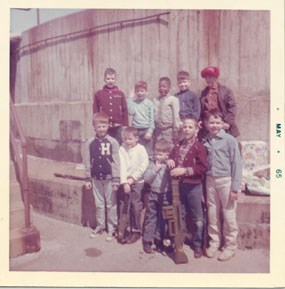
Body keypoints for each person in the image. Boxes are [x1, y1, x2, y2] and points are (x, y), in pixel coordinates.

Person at [203, 110, 242, 261]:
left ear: (223, 124)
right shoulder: (205, 140)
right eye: (211, 122)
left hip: (226, 181)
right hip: (210, 180)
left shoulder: (230, 140)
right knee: (212, 213)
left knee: (229, 214)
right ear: (206, 124)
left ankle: (230, 246)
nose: (214, 125)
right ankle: (214, 243)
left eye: (217, 122)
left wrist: (235, 187)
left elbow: (237, 164)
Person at [168, 116, 207, 258]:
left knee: (197, 218)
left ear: (196, 129)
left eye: (190, 127)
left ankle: (197, 245)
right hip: (179, 187)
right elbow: (171, 157)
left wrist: (184, 171)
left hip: (194, 187)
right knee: (180, 215)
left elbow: (202, 168)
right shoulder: (178, 145)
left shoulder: (199, 147)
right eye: (185, 126)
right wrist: (170, 161)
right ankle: (180, 241)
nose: (187, 129)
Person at [84, 112, 120, 242]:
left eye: (104, 126)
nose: (101, 129)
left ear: (108, 126)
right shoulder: (89, 142)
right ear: (94, 127)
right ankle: (100, 226)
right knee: (99, 204)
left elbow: (116, 162)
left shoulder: (113, 142)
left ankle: (112, 228)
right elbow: (87, 161)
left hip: (110, 178)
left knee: (111, 204)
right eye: (99, 126)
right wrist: (88, 178)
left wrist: (116, 179)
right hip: (96, 179)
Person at [118, 127, 149, 244]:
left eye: (130, 139)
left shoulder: (141, 149)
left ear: (137, 138)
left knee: (135, 205)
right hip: (125, 182)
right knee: (124, 205)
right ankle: (124, 228)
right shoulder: (122, 149)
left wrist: (132, 179)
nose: (128, 141)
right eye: (125, 139)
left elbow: (144, 165)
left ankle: (136, 230)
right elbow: (121, 166)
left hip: (137, 182)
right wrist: (125, 182)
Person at [142, 139, 172, 254]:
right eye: (156, 154)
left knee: (163, 219)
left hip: (166, 194)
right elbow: (147, 179)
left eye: (161, 154)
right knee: (151, 217)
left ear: (167, 155)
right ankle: (147, 241)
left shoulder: (169, 165)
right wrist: (155, 170)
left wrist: (170, 166)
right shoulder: (152, 164)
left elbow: (173, 179)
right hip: (153, 194)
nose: (158, 157)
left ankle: (159, 240)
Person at [199, 66, 240, 139]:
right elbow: (201, 110)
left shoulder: (226, 91)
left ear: (215, 78)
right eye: (206, 78)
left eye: (210, 77)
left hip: (222, 123)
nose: (208, 80)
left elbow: (232, 107)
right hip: (209, 125)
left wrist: (227, 122)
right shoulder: (203, 93)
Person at [93, 67, 128, 143]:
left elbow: (125, 110)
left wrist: (125, 125)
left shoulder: (120, 93)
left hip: (118, 126)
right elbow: (96, 111)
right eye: (108, 79)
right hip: (104, 126)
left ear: (115, 79)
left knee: (117, 145)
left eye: (112, 79)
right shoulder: (99, 94)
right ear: (104, 79)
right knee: (104, 144)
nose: (110, 81)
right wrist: (95, 124)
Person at [127, 80, 155, 157]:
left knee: (148, 151)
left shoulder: (149, 103)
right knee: (136, 151)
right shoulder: (134, 102)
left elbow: (152, 119)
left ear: (146, 91)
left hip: (146, 130)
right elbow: (130, 112)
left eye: (142, 91)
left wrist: (150, 131)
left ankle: (150, 167)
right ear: (135, 92)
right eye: (138, 91)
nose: (140, 93)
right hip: (136, 130)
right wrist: (130, 98)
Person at [154, 77, 180, 148]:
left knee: (169, 147)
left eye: (164, 87)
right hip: (158, 130)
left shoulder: (173, 100)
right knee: (158, 146)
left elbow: (176, 115)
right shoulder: (156, 100)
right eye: (160, 87)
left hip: (168, 130)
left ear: (169, 87)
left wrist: (175, 130)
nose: (162, 88)